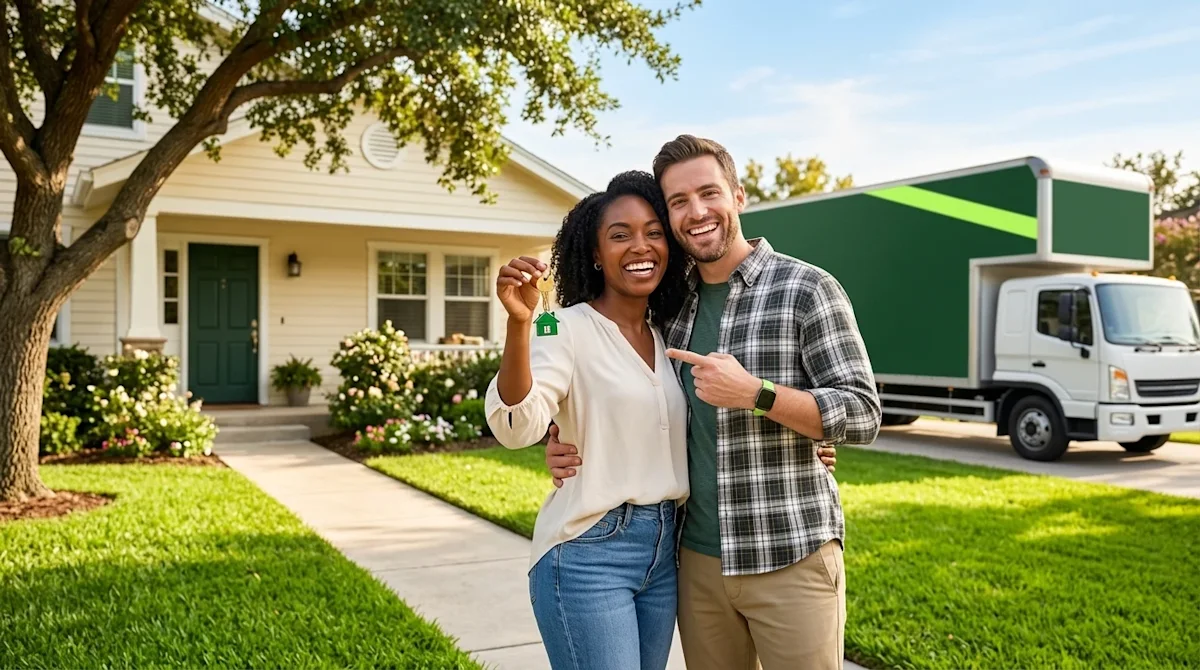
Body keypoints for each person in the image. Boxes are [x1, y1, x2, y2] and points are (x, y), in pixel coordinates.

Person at [544, 135, 882, 670]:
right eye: (678, 201)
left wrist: (759, 394)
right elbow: (622, 389)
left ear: (739, 196)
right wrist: (560, 437)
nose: (696, 212)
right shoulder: (669, 306)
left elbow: (862, 412)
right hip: (695, 565)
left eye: (708, 193)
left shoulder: (807, 288)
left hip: (789, 553)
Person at [485, 171, 692, 670]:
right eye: (619, 235)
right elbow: (518, 426)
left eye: (653, 232)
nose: (640, 246)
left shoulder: (673, 332)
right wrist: (520, 324)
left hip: (666, 554)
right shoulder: (565, 325)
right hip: (589, 551)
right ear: (596, 253)